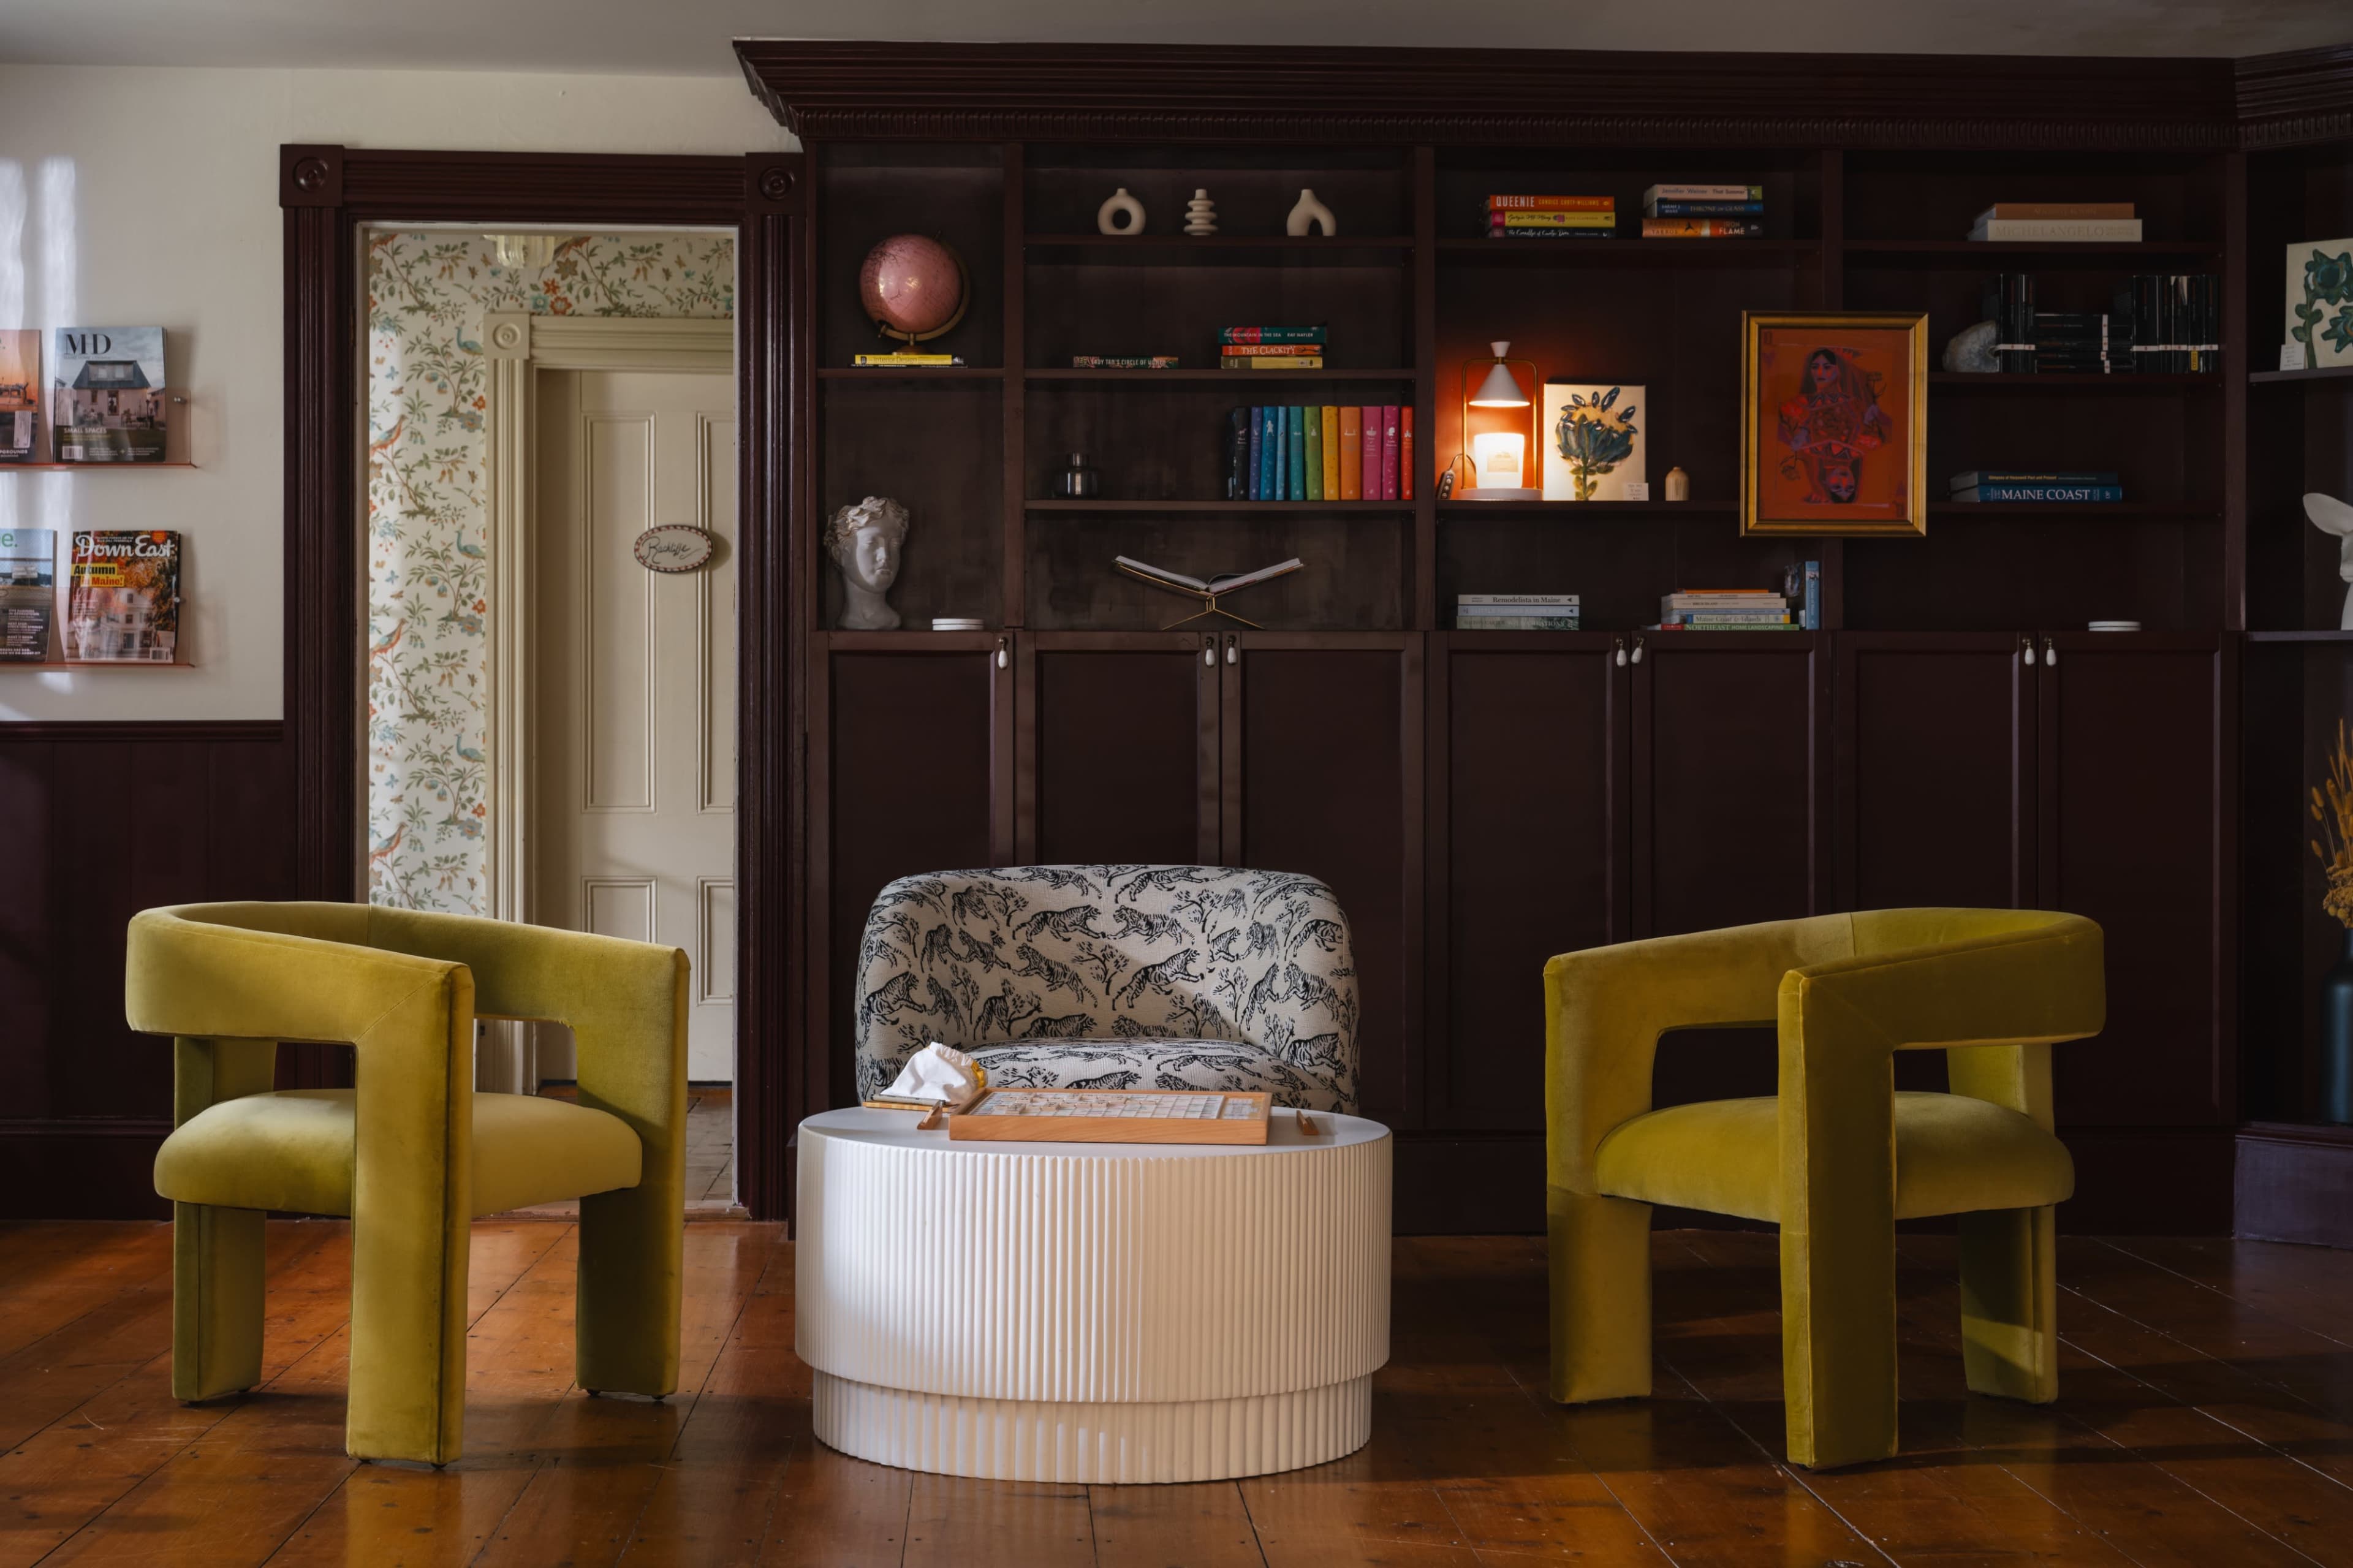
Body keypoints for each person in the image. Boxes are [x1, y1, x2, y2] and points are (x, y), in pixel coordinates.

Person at [1777, 347, 1889, 505]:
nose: (1820, 373)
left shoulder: (1854, 405)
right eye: (1815, 368)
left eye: (1827, 367)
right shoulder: (1864, 446)